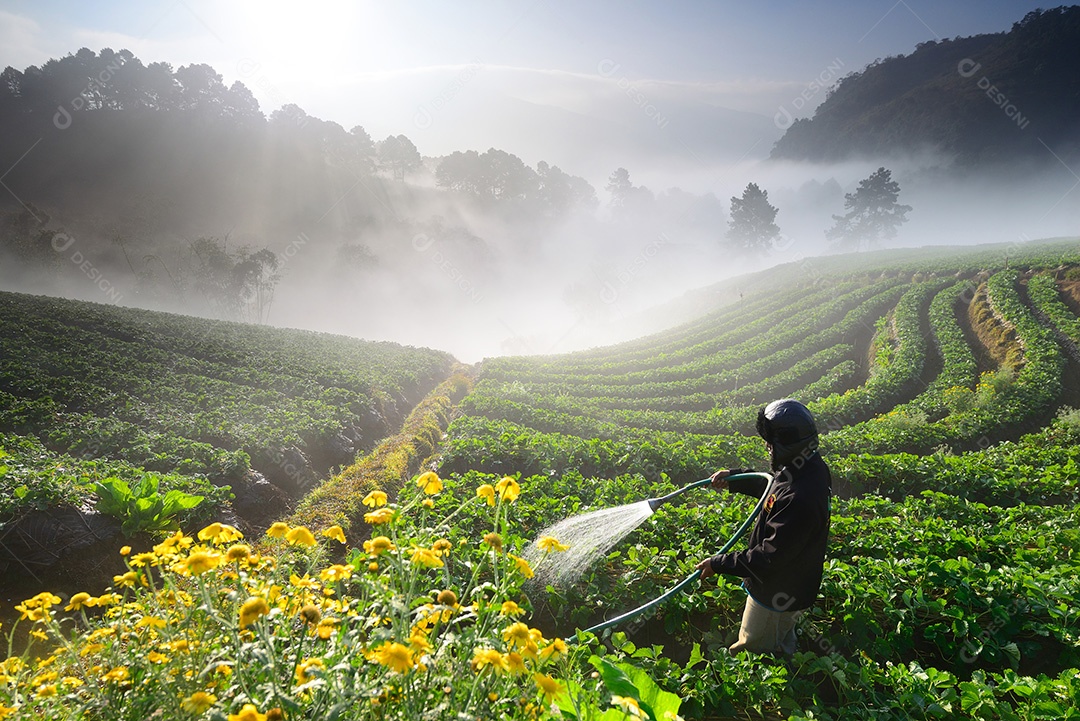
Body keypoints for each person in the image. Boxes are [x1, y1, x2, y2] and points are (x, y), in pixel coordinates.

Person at [695, 398, 831, 657]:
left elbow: (769, 557)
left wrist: (718, 563)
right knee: (779, 634)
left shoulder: (802, 496)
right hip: (784, 585)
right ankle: (784, 648)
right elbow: (772, 488)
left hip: (778, 593)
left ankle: (771, 681)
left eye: (772, 443)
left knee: (757, 645)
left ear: (790, 445)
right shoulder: (806, 467)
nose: (767, 447)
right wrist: (735, 479)